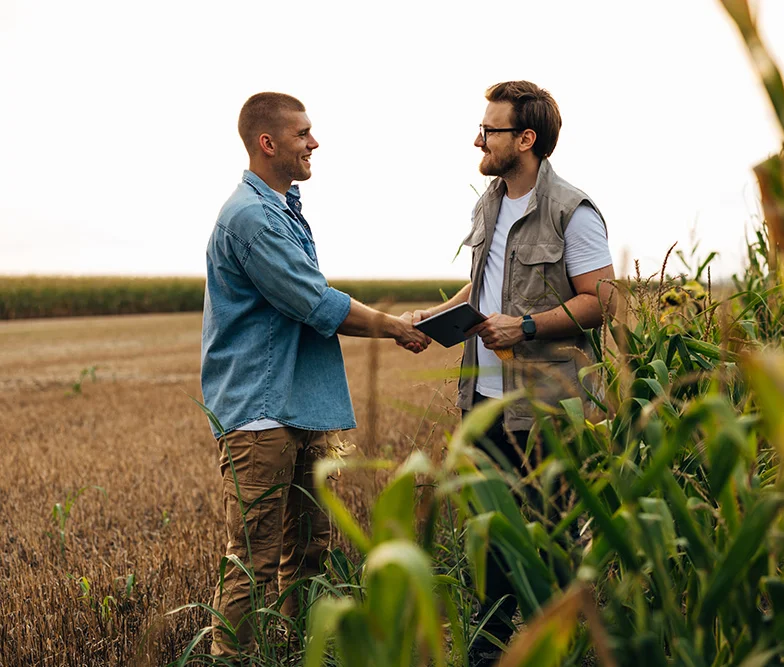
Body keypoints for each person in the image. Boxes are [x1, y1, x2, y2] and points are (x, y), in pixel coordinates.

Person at [201, 92, 430, 658]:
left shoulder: (280, 208)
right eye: (304, 133)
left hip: (299, 406)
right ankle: (232, 659)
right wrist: (394, 327)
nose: (314, 142)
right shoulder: (252, 218)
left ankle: (295, 650)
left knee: (310, 549)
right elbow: (312, 302)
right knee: (253, 558)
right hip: (261, 414)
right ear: (267, 143)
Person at [412, 80, 615, 662]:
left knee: (550, 548)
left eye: (490, 129)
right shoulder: (490, 202)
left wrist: (523, 327)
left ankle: (557, 650)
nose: (477, 138)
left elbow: (601, 301)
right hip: (483, 405)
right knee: (491, 543)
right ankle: (488, 654)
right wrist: (437, 315)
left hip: (547, 410)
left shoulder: (572, 212)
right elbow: (481, 285)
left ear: (525, 139)